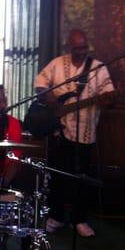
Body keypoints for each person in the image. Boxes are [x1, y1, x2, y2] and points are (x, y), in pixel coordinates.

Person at [34, 28, 114, 237]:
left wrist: (108, 99)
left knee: (82, 178)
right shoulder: (58, 63)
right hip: (59, 131)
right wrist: (50, 96)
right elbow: (40, 83)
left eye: (84, 47)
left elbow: (108, 93)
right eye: (76, 48)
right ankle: (56, 217)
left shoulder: (98, 68)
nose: (81, 51)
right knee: (57, 176)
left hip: (86, 133)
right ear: (68, 46)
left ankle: (79, 220)